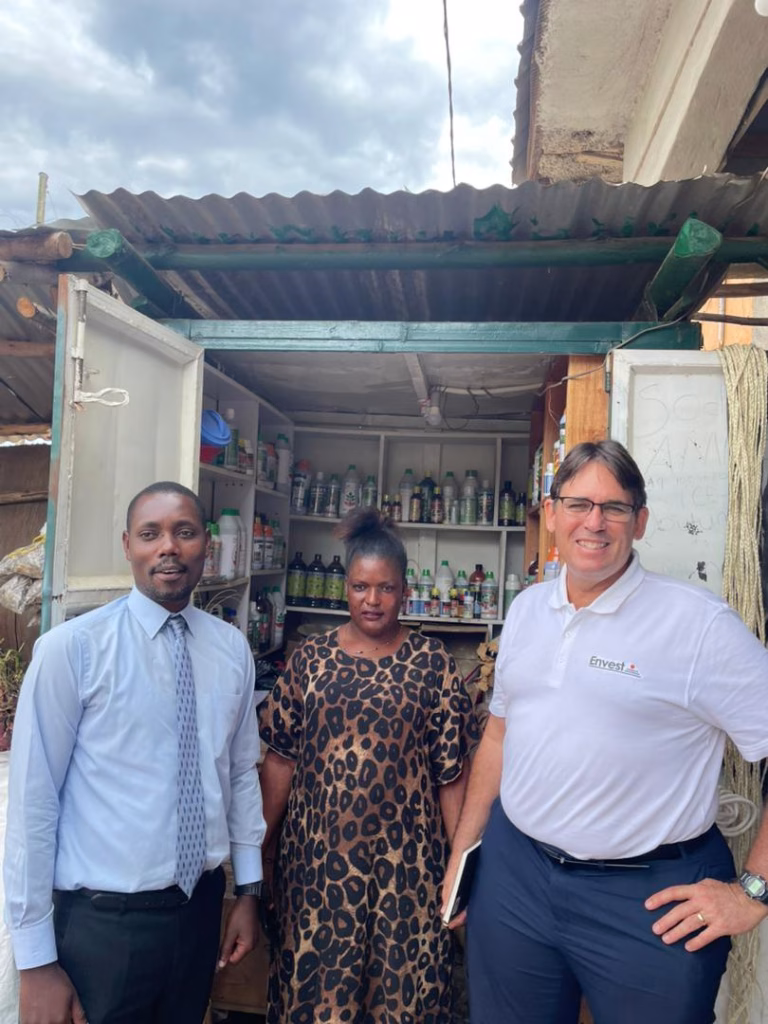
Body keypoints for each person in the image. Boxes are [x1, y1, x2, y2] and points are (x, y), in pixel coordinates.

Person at [442, 440, 768, 1024]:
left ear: (639, 522)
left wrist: (754, 892)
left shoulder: (697, 625)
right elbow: (498, 737)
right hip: (517, 877)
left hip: (648, 898)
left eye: (614, 507)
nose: (594, 522)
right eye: (578, 504)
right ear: (551, 514)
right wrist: (463, 858)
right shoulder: (528, 610)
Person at [4, 481, 266, 1024]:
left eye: (184, 532)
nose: (168, 547)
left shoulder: (230, 649)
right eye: (151, 534)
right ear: (128, 545)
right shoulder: (72, 651)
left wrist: (248, 892)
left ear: (206, 545)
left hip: (198, 915)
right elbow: (33, 804)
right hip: (103, 929)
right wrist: (35, 962)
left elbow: (240, 773)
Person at [258, 508, 479, 1023]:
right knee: (317, 996)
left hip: (407, 872)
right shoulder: (310, 661)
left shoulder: (433, 664)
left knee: (402, 997)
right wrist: (261, 850)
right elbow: (280, 762)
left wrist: (459, 869)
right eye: (360, 587)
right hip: (315, 868)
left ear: (405, 591)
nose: (372, 600)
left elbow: (451, 776)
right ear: (346, 588)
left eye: (385, 588)